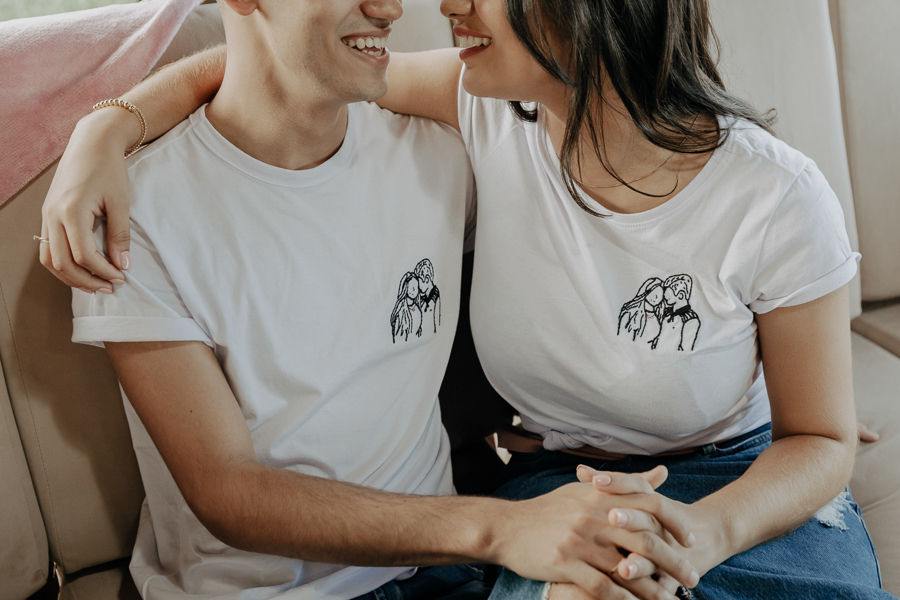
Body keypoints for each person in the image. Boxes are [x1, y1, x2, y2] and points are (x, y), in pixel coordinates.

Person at [39, 0, 892, 598]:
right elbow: (280, 61)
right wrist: (103, 129)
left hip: (709, 481)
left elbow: (816, 437)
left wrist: (725, 506)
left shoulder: (776, 197)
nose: (438, 6)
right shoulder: (480, 113)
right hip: (547, 481)